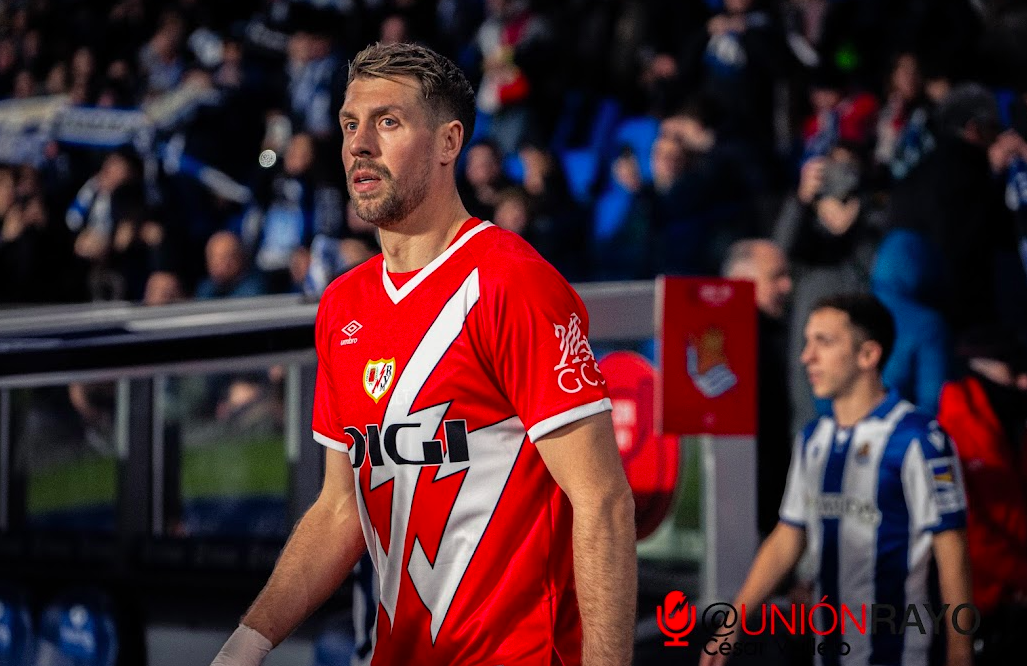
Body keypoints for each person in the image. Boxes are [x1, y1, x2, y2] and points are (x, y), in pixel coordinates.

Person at [210, 42, 637, 666]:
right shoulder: (342, 305)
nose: (360, 145)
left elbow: (602, 500)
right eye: (350, 125)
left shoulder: (511, 282)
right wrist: (245, 645)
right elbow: (340, 509)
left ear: (448, 142)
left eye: (387, 122)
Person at [700, 293, 972, 666]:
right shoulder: (814, 439)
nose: (807, 357)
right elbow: (788, 536)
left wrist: (960, 652)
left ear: (868, 355)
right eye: (807, 342)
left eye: (824, 342)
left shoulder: (919, 438)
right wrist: (732, 625)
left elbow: (951, 547)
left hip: (900, 655)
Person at [936, 328, 1027, 665]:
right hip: (981, 606)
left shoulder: (1010, 421)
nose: (1023, 382)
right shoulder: (953, 429)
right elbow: (967, 530)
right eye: (1015, 369)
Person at [722, 239, 793, 536]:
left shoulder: (781, 333)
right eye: (776, 277)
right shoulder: (727, 341)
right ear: (742, 280)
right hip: (748, 501)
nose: (788, 286)